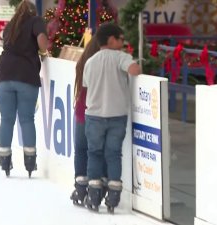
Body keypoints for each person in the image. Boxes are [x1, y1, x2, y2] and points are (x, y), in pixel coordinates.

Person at [82, 23, 141, 213]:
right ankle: (114, 193)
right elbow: (134, 70)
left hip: (94, 116)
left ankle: (93, 192)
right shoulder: (121, 58)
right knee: (113, 154)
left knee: (94, 153)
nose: (123, 43)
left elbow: (86, 84)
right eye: (121, 39)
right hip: (117, 116)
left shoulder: (90, 61)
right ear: (111, 40)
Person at [0, 0, 48, 177]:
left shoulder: (10, 25)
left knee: (6, 119)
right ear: (33, 12)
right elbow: (41, 41)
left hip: (3, 74)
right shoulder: (36, 21)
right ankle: (30, 161)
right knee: (26, 119)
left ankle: (5, 159)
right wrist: (44, 52)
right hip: (26, 75)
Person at [70, 36, 105, 206]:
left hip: (81, 113)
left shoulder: (82, 64)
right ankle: (95, 187)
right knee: (96, 152)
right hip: (97, 115)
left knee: (81, 151)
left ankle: (81, 186)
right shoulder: (102, 66)